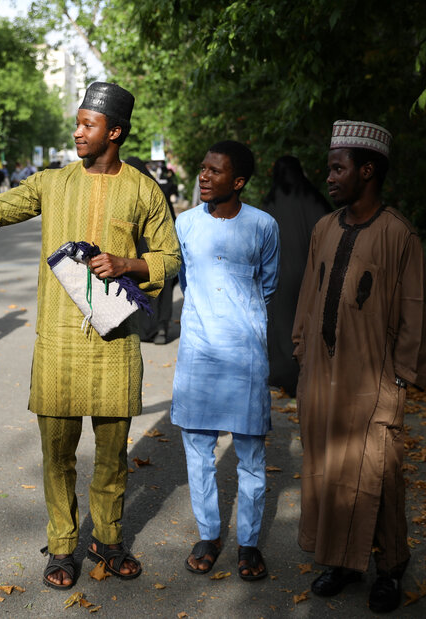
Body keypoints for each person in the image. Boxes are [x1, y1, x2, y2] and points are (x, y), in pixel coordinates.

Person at [0, 82, 180, 591]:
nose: (78, 132)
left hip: (114, 343)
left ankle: (108, 540)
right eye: (78, 122)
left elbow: (170, 256)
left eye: (88, 124)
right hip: (59, 343)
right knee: (58, 456)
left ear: (116, 131)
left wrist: (129, 263)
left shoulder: (143, 188)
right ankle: (63, 547)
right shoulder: (52, 182)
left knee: (111, 458)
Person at [292, 121, 426, 613]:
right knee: (331, 471)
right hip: (322, 379)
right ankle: (342, 562)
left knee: (380, 476)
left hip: (372, 381)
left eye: (337, 168)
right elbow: (309, 296)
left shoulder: (400, 236)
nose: (328, 176)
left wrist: (399, 380)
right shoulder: (324, 229)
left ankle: (390, 568)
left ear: (366, 170)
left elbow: (413, 310)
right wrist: (302, 353)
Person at [170, 140, 279, 582]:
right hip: (198, 350)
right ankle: (209, 534)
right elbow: (185, 280)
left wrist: (241, 320)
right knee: (198, 450)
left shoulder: (264, 225)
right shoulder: (185, 224)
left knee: (250, 453)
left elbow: (267, 284)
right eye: (202, 168)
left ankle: (249, 543)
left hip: (246, 354)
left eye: (215, 172)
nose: (204, 177)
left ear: (238, 182)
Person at [262, 156, 332, 397]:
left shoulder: (270, 202)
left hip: (279, 275)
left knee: (281, 321)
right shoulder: (316, 199)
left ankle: (282, 374)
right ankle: (308, 373)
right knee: (308, 321)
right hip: (313, 275)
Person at [125, 156, 176, 344]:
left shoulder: (127, 195)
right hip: (161, 250)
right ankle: (161, 327)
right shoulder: (157, 191)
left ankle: (144, 329)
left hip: (136, 253)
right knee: (162, 291)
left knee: (141, 288)